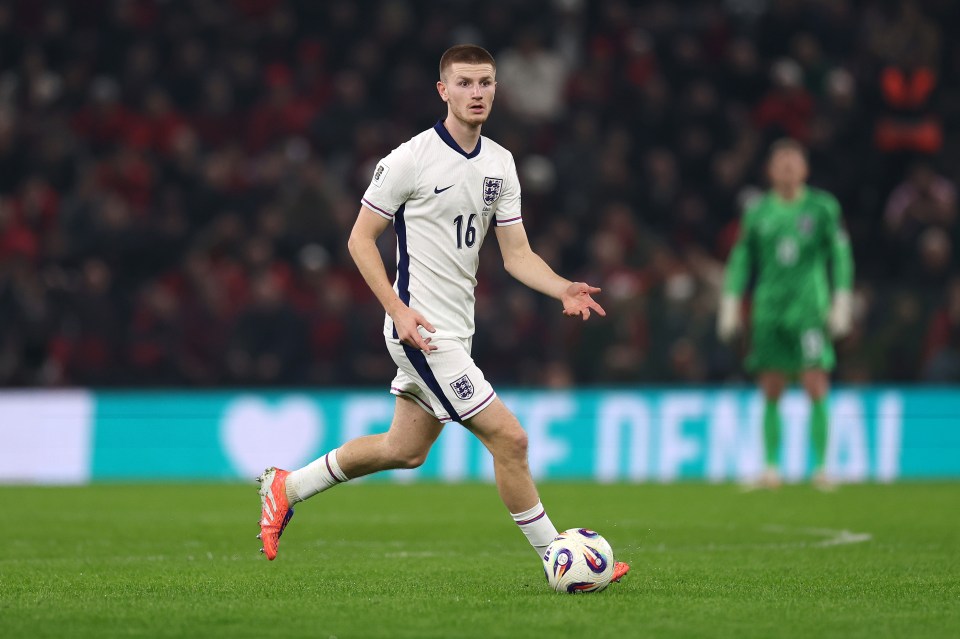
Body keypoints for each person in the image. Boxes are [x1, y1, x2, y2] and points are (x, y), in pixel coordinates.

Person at [255, 44, 629, 582]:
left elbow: (517, 254)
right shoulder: (410, 158)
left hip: (457, 330)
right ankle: (559, 559)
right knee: (511, 439)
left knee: (404, 450)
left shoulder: (501, 163)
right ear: (444, 90)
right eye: (466, 83)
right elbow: (360, 239)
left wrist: (562, 288)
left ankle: (286, 488)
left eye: (486, 83)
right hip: (422, 332)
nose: (477, 93)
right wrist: (398, 311)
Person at [717, 138, 854, 489]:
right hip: (769, 310)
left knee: (815, 381)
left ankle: (823, 468)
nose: (788, 167)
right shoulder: (758, 211)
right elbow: (742, 258)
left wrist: (841, 298)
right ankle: (771, 468)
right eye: (782, 162)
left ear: (805, 169)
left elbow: (839, 254)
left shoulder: (823, 208)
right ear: (770, 170)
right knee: (772, 385)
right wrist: (731, 301)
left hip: (808, 309)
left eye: (794, 161)